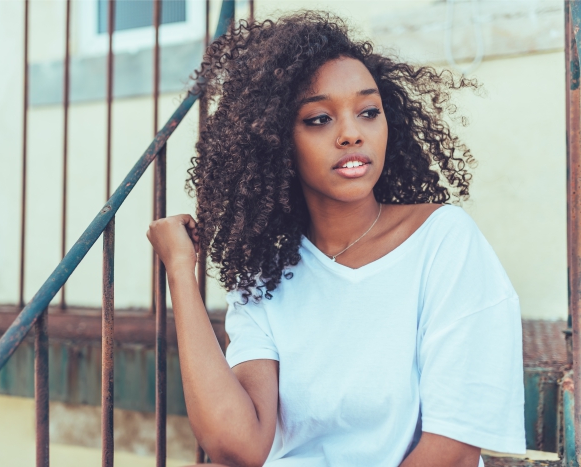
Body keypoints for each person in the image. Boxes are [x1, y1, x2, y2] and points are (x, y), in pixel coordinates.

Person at [146, 11, 524, 467]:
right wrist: (181, 277)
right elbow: (237, 445)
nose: (351, 134)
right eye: (320, 119)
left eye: (368, 112)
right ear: (276, 141)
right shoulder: (265, 271)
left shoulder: (443, 242)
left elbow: (454, 450)